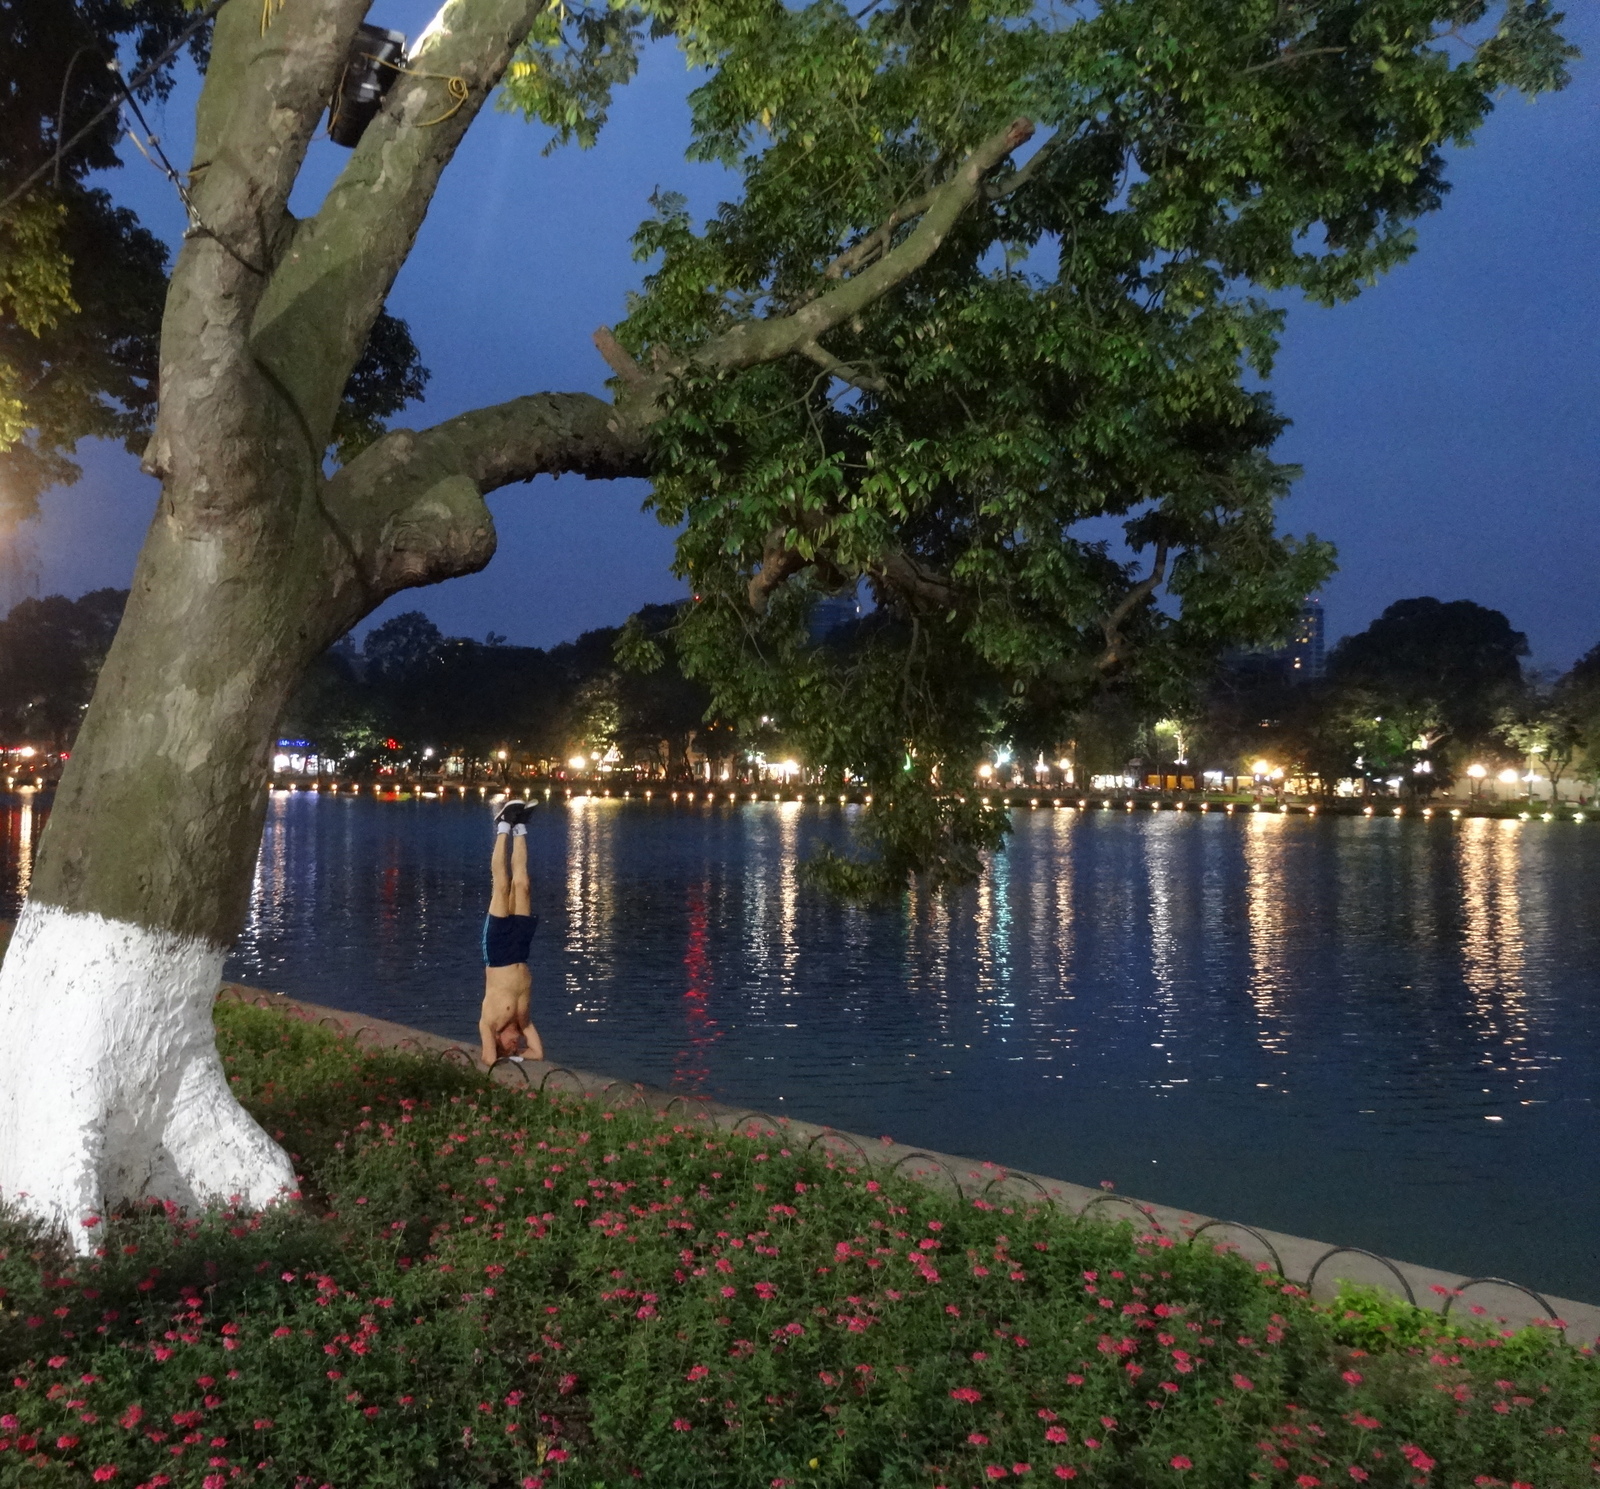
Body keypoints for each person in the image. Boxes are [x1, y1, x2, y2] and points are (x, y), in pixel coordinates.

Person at [478, 800, 544, 1066]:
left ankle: (503, 825)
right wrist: (516, 1057)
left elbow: (489, 1059)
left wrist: (502, 1056)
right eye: (515, 1047)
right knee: (523, 885)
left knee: (502, 886)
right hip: (520, 950)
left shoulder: (490, 1022)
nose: (516, 1045)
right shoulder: (524, 1021)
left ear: (497, 1040)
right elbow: (538, 1053)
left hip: (497, 953)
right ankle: (520, 827)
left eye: (510, 1046)